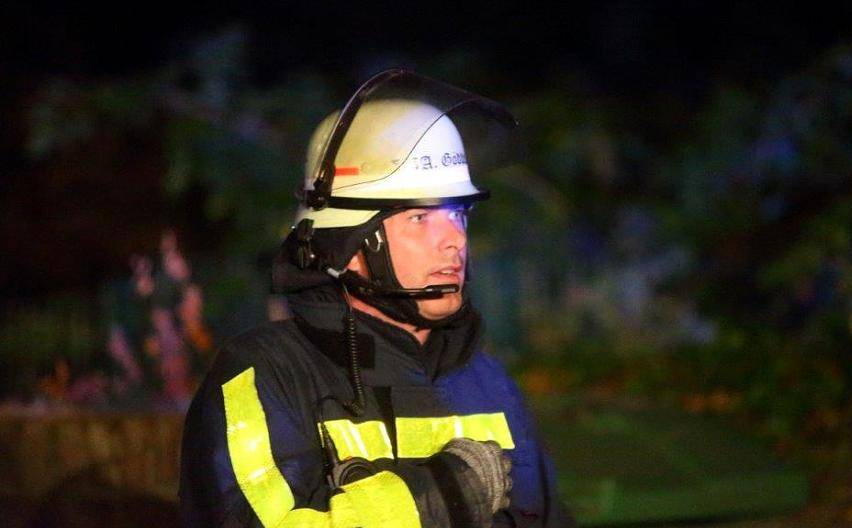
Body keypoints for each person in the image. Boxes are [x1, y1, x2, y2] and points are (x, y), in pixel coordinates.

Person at [179, 69, 571, 527]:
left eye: (458, 214)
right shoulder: (264, 378)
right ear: (347, 246)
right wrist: (441, 497)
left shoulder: (488, 380)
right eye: (420, 219)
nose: (455, 240)